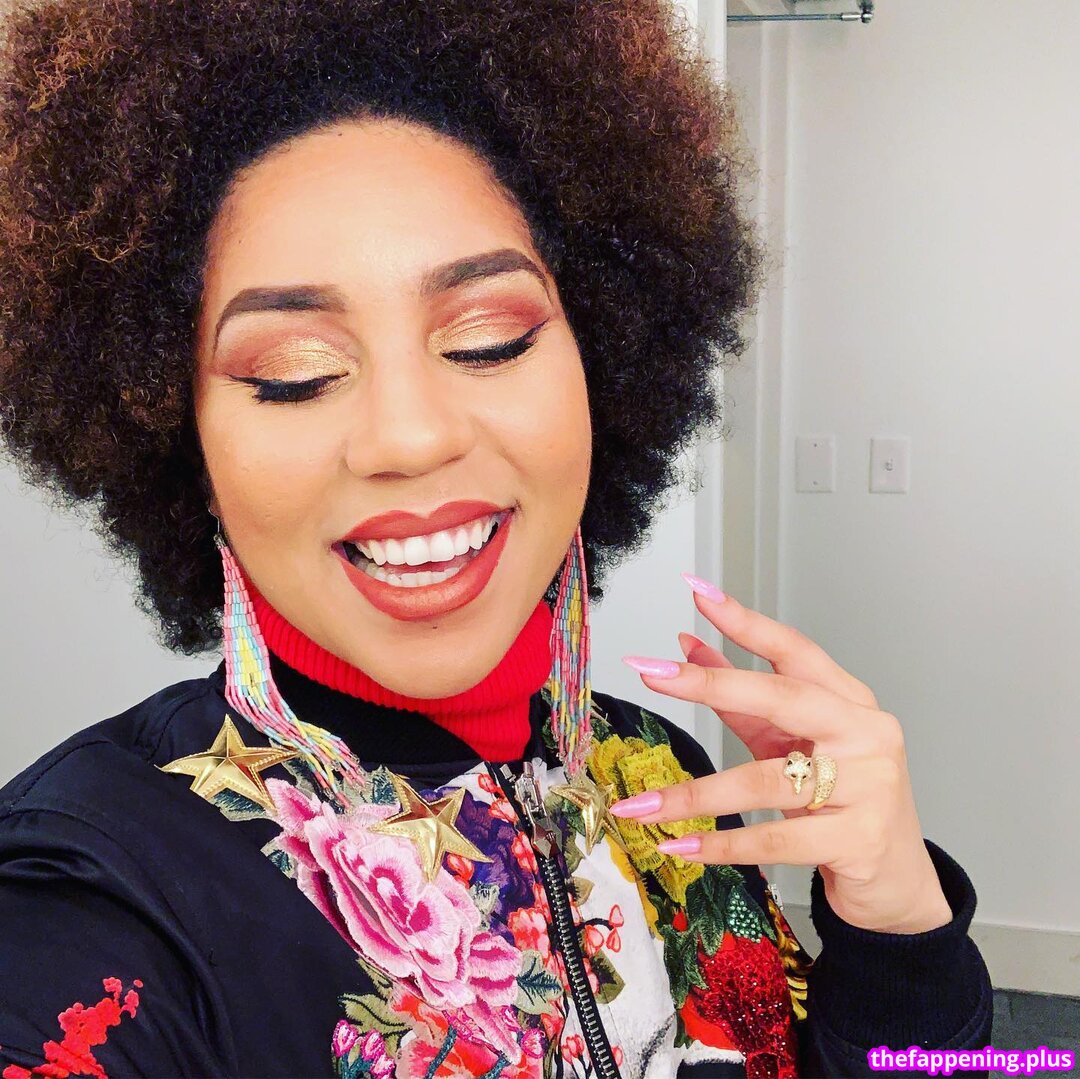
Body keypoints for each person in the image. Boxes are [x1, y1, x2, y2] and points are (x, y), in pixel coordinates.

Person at [0, 1, 992, 1076]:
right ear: (181, 440)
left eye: (489, 339)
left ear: (599, 363)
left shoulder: (663, 772)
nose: (411, 436)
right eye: (294, 372)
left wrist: (901, 929)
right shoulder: (98, 883)